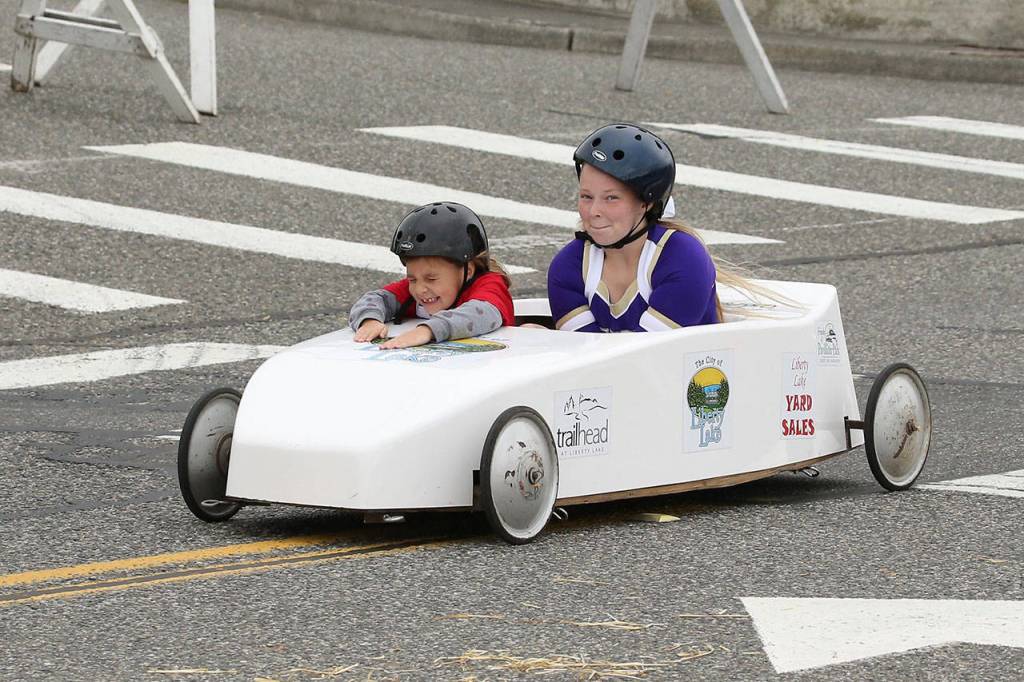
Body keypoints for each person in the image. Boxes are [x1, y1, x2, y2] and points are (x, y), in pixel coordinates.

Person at [548, 123, 750, 333]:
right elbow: (583, 354)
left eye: (611, 198)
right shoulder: (569, 265)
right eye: (586, 197)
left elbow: (646, 356)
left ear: (648, 203)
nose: (594, 211)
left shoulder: (683, 257)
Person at [349, 202, 514, 349]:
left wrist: (428, 330)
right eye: (412, 279)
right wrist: (369, 321)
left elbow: (481, 313)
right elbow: (375, 299)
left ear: (467, 271)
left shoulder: (490, 285)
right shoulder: (412, 292)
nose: (419, 289)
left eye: (431, 279)